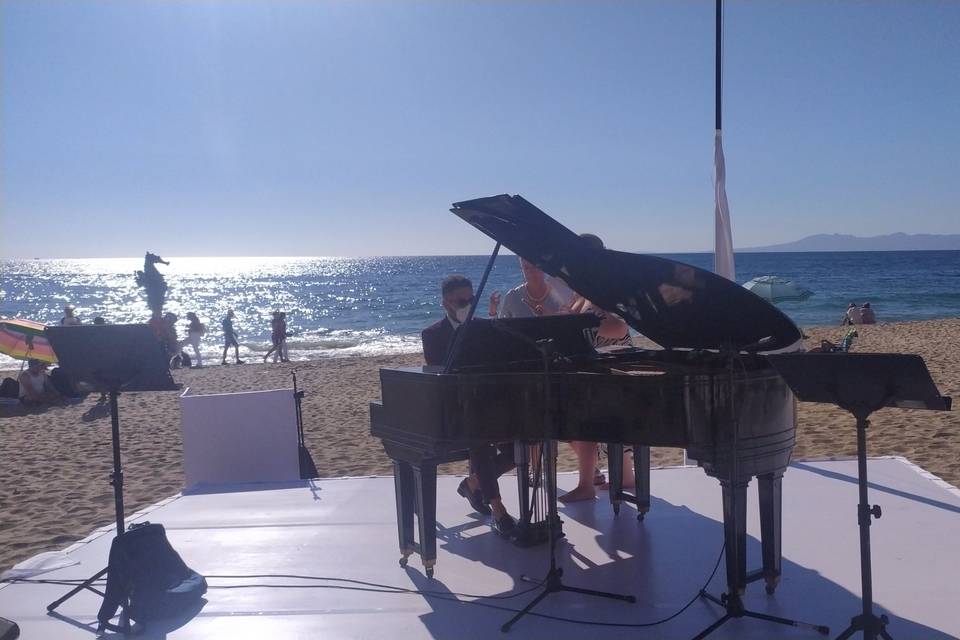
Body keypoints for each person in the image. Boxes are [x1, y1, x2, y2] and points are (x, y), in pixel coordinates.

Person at [422, 275, 517, 537]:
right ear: (445, 303)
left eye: (470, 299)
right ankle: (498, 510)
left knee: (520, 447)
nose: (466, 304)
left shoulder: (485, 328)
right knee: (479, 440)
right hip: (455, 411)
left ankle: (472, 483)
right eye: (460, 301)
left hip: (487, 405)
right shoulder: (432, 334)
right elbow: (440, 376)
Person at [561, 233, 636, 502]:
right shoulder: (588, 288)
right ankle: (625, 477)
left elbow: (620, 326)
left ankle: (586, 486)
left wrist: (575, 326)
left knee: (583, 423)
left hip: (610, 364)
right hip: (599, 364)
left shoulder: (602, 287)